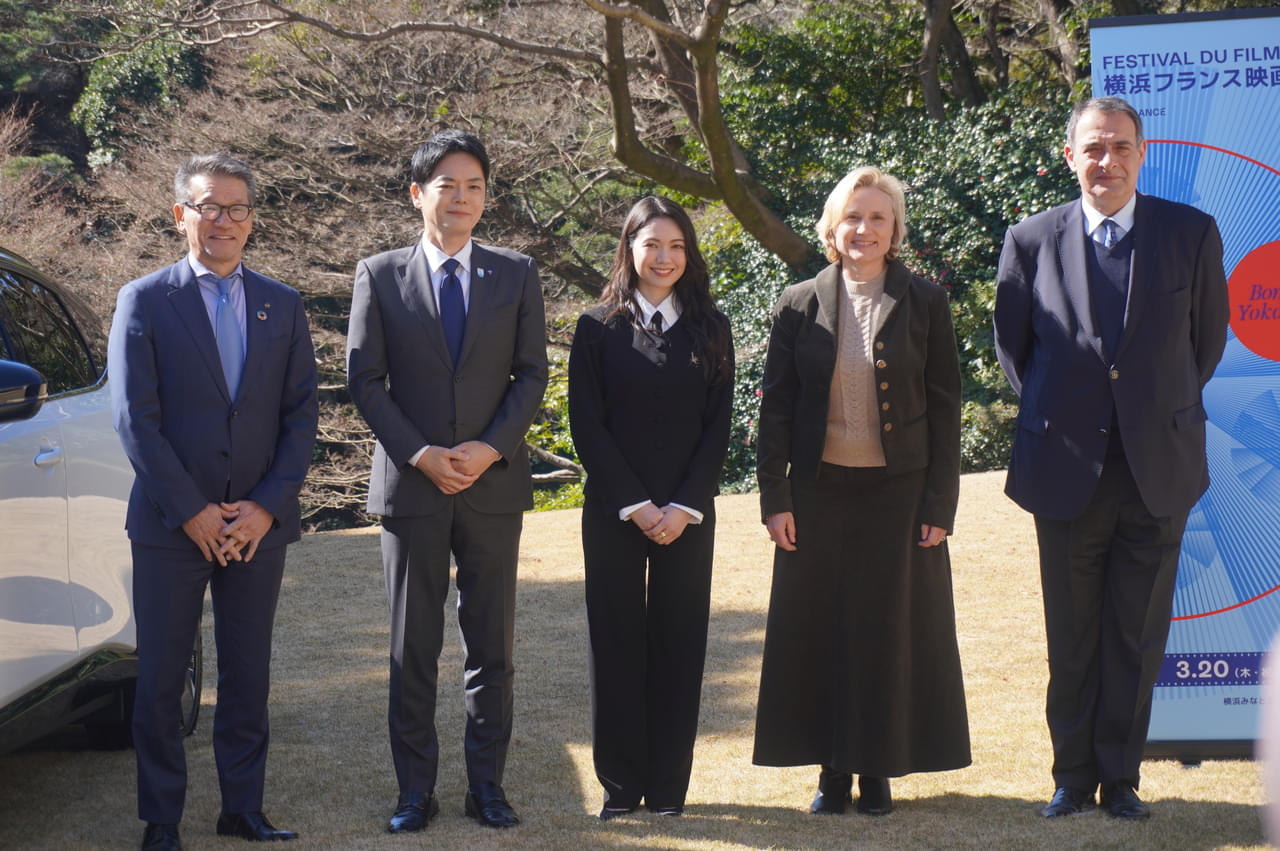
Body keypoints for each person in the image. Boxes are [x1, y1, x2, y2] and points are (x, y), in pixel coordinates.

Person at [994, 96, 1229, 820]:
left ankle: (1121, 776)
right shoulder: (1030, 239)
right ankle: (1071, 774)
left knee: (1136, 630)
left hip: (1156, 467)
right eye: (1093, 148)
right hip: (1065, 466)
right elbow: (1016, 352)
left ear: (1141, 152)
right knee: (1072, 633)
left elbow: (1204, 345)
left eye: (1122, 147)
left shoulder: (1190, 234)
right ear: (1070, 156)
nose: (1108, 160)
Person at [108, 153, 318, 850]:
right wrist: (194, 510)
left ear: (252, 219)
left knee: (248, 672)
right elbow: (135, 419)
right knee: (163, 679)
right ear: (180, 215)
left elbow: (300, 419)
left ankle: (242, 807)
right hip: (172, 525)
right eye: (208, 207)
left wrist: (265, 506)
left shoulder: (282, 304)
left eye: (236, 208)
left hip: (257, 525)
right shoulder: (145, 298)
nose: (222, 220)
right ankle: (161, 819)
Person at [346, 130, 548, 832]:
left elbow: (533, 374)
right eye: (447, 185)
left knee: (491, 645)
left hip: (492, 486)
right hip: (413, 487)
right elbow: (364, 381)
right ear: (417, 194)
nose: (461, 198)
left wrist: (491, 448)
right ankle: (415, 791)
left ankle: (487, 786)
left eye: (474, 186)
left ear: (485, 197)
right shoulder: (379, 273)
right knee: (413, 647)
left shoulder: (517, 272)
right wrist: (422, 453)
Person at [752, 166, 970, 816]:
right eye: (853, 216)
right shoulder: (798, 302)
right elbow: (777, 411)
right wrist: (775, 498)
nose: (864, 229)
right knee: (822, 632)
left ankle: (877, 772)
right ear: (832, 226)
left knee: (889, 634)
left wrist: (939, 504)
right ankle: (831, 773)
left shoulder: (925, 301)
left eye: (878, 217)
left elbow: (946, 407)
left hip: (899, 496)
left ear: (895, 229)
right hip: (818, 494)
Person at [567, 197, 734, 820]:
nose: (664, 258)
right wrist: (637, 506)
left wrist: (683, 506)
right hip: (615, 512)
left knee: (679, 643)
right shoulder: (596, 326)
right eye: (652, 245)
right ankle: (620, 789)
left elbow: (717, 429)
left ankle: (667, 791)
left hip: (688, 517)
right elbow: (587, 425)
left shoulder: (712, 328)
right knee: (614, 642)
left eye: (676, 247)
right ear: (629, 249)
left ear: (688, 255)